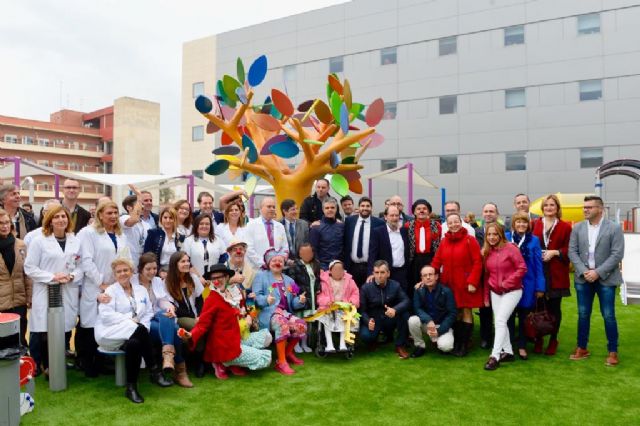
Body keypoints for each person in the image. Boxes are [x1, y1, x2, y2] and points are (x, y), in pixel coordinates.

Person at [94, 258, 172, 403]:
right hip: (110, 332)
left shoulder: (141, 290)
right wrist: (130, 320)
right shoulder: (110, 291)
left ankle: (131, 388)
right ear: (115, 275)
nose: (122, 274)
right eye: (119, 271)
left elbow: (148, 312)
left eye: (125, 270)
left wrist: (141, 326)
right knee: (138, 330)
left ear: (131, 272)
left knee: (134, 344)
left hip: (134, 333)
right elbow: (106, 316)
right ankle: (155, 371)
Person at [181, 264, 272, 379]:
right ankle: (223, 362)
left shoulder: (233, 291)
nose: (217, 280)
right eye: (214, 278)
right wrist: (191, 335)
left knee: (266, 337)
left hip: (237, 337)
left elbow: (246, 308)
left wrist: (250, 308)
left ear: (227, 277)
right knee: (264, 358)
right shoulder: (212, 299)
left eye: (220, 277)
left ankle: (233, 361)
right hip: (223, 345)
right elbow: (202, 324)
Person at [24, 205, 82, 375]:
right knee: (43, 330)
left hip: (67, 289)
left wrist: (71, 276)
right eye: (56, 217)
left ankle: (58, 362)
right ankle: (43, 365)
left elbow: (80, 266)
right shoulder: (39, 241)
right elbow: (29, 267)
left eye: (63, 216)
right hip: (46, 290)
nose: (61, 220)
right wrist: (52, 277)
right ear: (49, 220)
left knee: (64, 328)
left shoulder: (75, 240)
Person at [568, 196, 625, 366]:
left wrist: (598, 273)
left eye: (589, 207)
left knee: (608, 315)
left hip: (606, 279)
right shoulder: (577, 228)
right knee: (583, 314)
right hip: (583, 278)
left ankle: (613, 351)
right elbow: (572, 251)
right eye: (584, 207)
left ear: (600, 209)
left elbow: (617, 254)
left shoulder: (614, 228)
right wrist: (585, 271)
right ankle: (581, 348)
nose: (585, 210)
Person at [76, 200, 130, 377]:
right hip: (94, 286)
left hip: (114, 286)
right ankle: (86, 363)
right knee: (89, 325)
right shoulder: (88, 233)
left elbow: (124, 259)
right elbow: (86, 261)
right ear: (99, 214)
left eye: (116, 213)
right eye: (109, 213)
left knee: (107, 323)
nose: (114, 216)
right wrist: (101, 283)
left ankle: (102, 362)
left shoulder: (120, 235)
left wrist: (119, 283)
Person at [132, 252, 192, 387]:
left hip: (157, 316)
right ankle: (179, 370)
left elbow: (162, 301)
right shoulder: (133, 281)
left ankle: (169, 358)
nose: (152, 272)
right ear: (140, 268)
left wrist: (170, 308)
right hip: (142, 319)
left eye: (154, 268)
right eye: (148, 269)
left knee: (167, 314)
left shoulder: (157, 281)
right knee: (175, 329)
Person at [431, 212, 483, 357]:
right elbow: (437, 261)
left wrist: (473, 281)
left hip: (465, 284)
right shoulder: (444, 241)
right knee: (455, 313)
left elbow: (478, 262)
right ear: (447, 225)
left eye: (456, 221)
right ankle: (457, 343)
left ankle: (464, 345)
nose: (454, 225)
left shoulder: (470, 240)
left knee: (466, 311)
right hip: (448, 284)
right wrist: (429, 276)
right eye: (450, 222)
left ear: (461, 222)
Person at [253, 249, 307, 375]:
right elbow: (255, 297)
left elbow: (293, 302)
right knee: (282, 323)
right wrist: (266, 299)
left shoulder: (290, 280)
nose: (277, 263)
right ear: (268, 262)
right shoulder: (261, 275)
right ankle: (281, 362)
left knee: (301, 325)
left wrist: (300, 300)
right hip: (268, 313)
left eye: (280, 261)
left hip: (285, 313)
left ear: (284, 263)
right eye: (274, 260)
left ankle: (287, 353)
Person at [482, 223, 527, 371]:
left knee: (500, 320)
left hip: (512, 290)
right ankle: (508, 352)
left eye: (495, 234)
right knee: (501, 321)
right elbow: (487, 275)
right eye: (489, 235)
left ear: (501, 234)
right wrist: (486, 296)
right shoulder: (487, 251)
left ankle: (494, 356)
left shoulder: (511, 248)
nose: (492, 237)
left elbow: (522, 268)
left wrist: (507, 283)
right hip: (495, 291)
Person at [531, 194, 572, 355]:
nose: (549, 208)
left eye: (552, 205)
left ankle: (553, 339)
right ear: (542, 208)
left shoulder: (565, 227)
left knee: (554, 309)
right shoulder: (534, 224)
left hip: (556, 273)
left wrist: (555, 252)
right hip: (538, 271)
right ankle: (539, 338)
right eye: (546, 205)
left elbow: (571, 248)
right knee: (539, 308)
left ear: (557, 208)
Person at [505, 212, 545, 359]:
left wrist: (540, 286)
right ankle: (507, 347)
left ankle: (522, 346)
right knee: (507, 317)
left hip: (528, 284)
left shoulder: (534, 240)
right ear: (513, 224)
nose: (521, 225)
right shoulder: (506, 238)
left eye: (524, 222)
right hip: (508, 284)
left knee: (523, 318)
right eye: (518, 222)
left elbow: (538, 265)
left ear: (528, 224)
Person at [164, 251, 206, 376]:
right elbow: (173, 307)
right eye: (183, 261)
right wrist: (194, 318)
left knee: (202, 325)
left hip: (195, 315)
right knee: (197, 326)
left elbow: (199, 299)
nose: (187, 264)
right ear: (175, 264)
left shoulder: (192, 278)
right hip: (179, 317)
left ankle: (201, 359)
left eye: (188, 261)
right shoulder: (167, 282)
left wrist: (199, 315)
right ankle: (199, 361)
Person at [359, 260, 410, 359]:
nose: (379, 275)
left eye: (382, 272)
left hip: (389, 318)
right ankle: (373, 340)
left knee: (405, 314)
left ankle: (400, 345)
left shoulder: (395, 285)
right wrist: (367, 320)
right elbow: (362, 310)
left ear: (388, 273)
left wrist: (395, 310)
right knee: (365, 336)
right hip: (374, 320)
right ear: (373, 273)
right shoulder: (365, 288)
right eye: (377, 273)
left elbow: (406, 301)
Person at [408, 265, 457, 357]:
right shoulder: (419, 290)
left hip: (441, 325)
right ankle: (420, 346)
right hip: (427, 324)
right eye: (425, 275)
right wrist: (429, 320)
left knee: (446, 347)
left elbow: (452, 314)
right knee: (412, 320)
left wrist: (439, 330)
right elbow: (417, 308)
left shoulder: (446, 291)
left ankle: (438, 340)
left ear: (436, 276)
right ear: (422, 278)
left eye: (430, 274)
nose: (428, 277)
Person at [0, 209, 31, 346]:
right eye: (0, 223)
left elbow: (27, 273)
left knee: (20, 338)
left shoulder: (20, 244)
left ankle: (22, 365)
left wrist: (29, 297)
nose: (5, 226)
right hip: (1, 302)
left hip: (19, 301)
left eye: (7, 222)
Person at [316, 260, 360, 352]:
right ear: (330, 271)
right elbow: (319, 296)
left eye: (340, 269)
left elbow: (355, 294)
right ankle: (329, 344)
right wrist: (327, 301)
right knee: (326, 319)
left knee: (345, 317)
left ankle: (342, 344)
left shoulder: (350, 281)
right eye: (335, 269)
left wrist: (351, 302)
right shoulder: (323, 282)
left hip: (343, 307)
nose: (338, 272)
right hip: (328, 307)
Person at [474, 202, 502, 349]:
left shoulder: (504, 230)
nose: (489, 214)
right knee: (484, 309)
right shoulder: (476, 231)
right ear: (482, 214)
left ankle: (500, 338)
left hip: (499, 275)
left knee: (500, 309)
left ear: (496, 214)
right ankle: (485, 337)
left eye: (492, 211)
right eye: (486, 211)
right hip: (482, 275)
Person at [285, 242, 321, 352]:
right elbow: (291, 283)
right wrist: (298, 294)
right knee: (299, 321)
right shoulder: (295, 266)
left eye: (309, 252)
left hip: (312, 298)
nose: (307, 255)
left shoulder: (315, 264)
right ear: (299, 254)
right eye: (304, 253)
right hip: (301, 298)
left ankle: (305, 343)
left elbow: (318, 279)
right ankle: (296, 344)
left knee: (307, 321)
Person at [344, 196, 384, 287]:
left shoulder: (379, 223)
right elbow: (345, 243)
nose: (365, 208)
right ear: (358, 207)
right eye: (362, 206)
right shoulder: (349, 221)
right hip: (352, 266)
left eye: (368, 206)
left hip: (370, 267)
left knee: (368, 294)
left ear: (371, 208)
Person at [368, 205, 410, 293]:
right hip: (385, 274)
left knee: (403, 299)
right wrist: (371, 273)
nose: (394, 218)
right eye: (391, 215)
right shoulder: (378, 232)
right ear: (386, 217)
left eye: (396, 215)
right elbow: (372, 254)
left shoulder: (404, 231)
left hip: (402, 273)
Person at [405, 199, 441, 298]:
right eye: (418, 209)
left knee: (431, 285)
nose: (421, 211)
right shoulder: (408, 226)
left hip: (431, 259)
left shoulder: (436, 226)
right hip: (414, 260)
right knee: (415, 286)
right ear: (414, 212)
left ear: (429, 211)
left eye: (424, 209)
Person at [245, 197, 289, 268]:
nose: (272, 209)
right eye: (269, 206)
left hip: (277, 268)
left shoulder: (280, 226)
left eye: (273, 207)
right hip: (257, 268)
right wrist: (263, 263)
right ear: (261, 208)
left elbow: (285, 247)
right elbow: (249, 248)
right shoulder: (251, 225)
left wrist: (280, 260)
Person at [182, 214, 226, 282]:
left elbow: (223, 259)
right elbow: (186, 262)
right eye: (201, 224)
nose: (204, 226)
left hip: (214, 279)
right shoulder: (188, 241)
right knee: (200, 292)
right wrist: (198, 277)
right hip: (194, 279)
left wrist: (216, 274)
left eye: (207, 224)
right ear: (196, 225)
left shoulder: (218, 240)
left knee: (211, 293)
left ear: (211, 226)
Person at [143, 206, 184, 271]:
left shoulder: (180, 237)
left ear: (175, 220)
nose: (168, 220)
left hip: (176, 271)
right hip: (157, 270)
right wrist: (159, 271)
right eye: (165, 217)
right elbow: (146, 255)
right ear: (161, 218)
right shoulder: (153, 233)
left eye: (171, 218)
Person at [309, 197, 344, 270]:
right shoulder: (316, 227)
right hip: (323, 266)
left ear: (336, 209)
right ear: (323, 210)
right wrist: (318, 267)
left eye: (332, 207)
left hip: (339, 265)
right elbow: (313, 250)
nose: (330, 210)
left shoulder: (341, 226)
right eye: (327, 208)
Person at [120, 195, 149, 268]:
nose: (142, 207)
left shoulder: (146, 224)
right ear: (129, 208)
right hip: (128, 262)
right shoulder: (123, 218)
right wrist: (139, 194)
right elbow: (134, 219)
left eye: (142, 204)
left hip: (142, 263)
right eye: (138, 205)